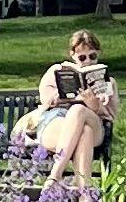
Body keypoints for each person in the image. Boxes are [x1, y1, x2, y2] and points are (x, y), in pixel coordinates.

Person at [22, 28, 117, 181]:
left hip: (94, 122)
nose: (88, 61)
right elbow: (45, 100)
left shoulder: (108, 82)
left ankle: (55, 175)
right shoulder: (56, 72)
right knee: (84, 133)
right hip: (57, 119)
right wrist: (61, 96)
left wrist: (94, 105)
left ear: (98, 53)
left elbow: (111, 115)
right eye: (82, 57)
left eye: (92, 56)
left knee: (79, 110)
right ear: (72, 55)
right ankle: (84, 191)